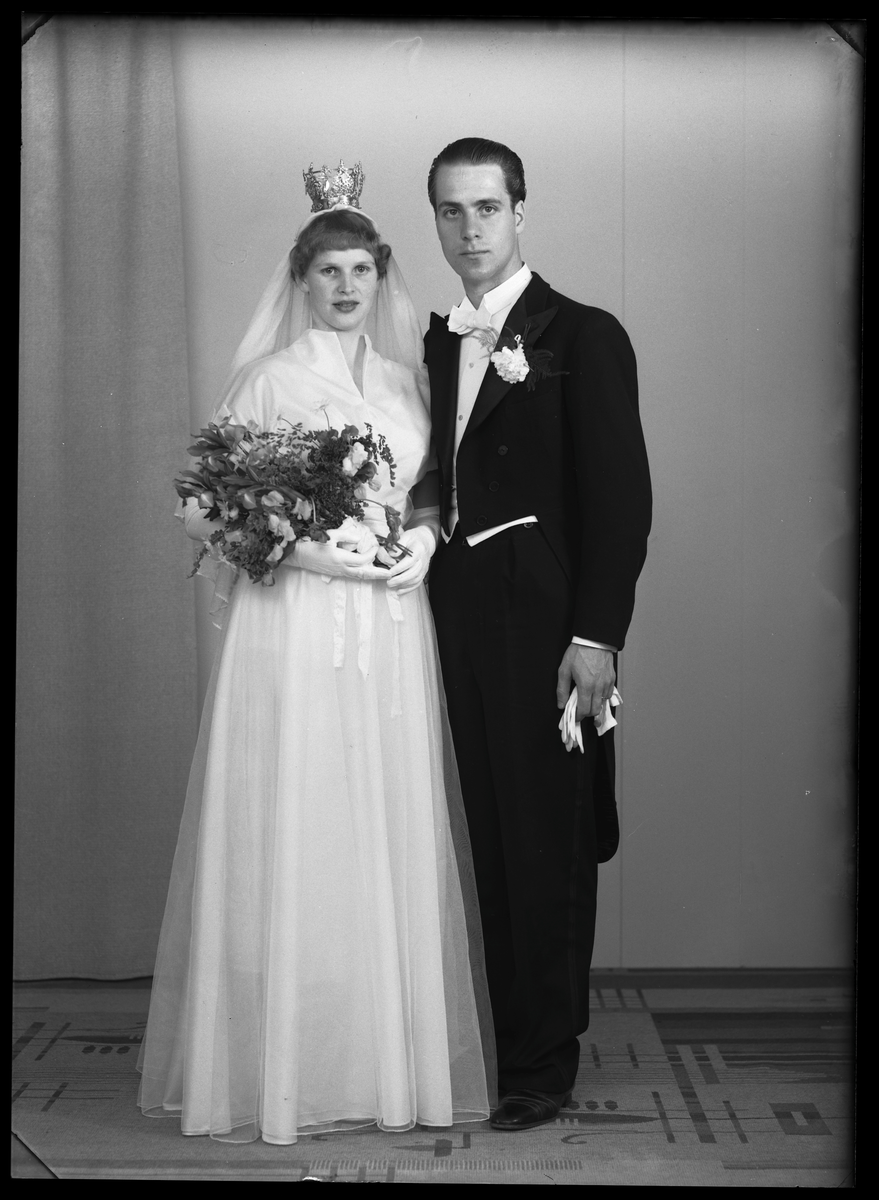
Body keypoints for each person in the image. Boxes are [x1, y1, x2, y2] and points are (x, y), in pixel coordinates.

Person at [137, 164, 492, 1144]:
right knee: (306, 812)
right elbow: (204, 506)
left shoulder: (406, 381)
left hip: (391, 621)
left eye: (360, 270)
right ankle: (287, 1069)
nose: (345, 286)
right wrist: (309, 552)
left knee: (381, 813)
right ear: (301, 280)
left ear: (381, 277)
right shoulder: (271, 379)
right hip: (295, 621)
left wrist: (421, 539)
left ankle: (384, 1068)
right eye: (328, 270)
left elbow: (432, 485)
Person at [423, 138, 652, 1132]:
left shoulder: (584, 334)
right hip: (455, 616)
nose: (469, 228)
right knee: (488, 833)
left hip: (550, 627)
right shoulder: (438, 341)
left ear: (520, 211)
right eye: (450, 210)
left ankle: (540, 1070)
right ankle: (506, 1041)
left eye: (486, 207)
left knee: (546, 841)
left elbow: (622, 504)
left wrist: (596, 637)